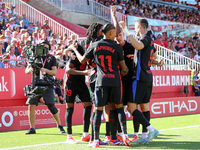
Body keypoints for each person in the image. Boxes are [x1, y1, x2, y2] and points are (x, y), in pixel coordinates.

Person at [70, 23, 130, 148]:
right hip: (115, 81)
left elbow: (82, 61)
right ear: (110, 33)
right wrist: (126, 71)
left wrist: (74, 49)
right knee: (118, 108)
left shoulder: (95, 45)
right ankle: (124, 135)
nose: (115, 34)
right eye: (114, 32)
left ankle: (95, 140)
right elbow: (124, 67)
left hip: (101, 81)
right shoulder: (117, 47)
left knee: (98, 110)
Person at [119, 19, 161, 144]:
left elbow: (138, 45)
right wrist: (138, 57)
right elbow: (153, 57)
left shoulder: (145, 37)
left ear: (140, 27)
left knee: (132, 108)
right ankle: (143, 136)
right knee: (144, 106)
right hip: (148, 77)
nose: (135, 30)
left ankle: (151, 129)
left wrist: (126, 30)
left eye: (135, 28)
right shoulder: (151, 40)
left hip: (139, 77)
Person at [24, 40, 65, 135]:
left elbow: (54, 72)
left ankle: (59, 125)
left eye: (46, 47)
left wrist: (45, 70)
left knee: (51, 105)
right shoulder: (34, 56)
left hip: (47, 84)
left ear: (49, 48)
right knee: (31, 105)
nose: (43, 48)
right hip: (35, 83)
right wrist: (29, 69)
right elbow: (26, 70)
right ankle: (32, 128)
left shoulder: (52, 58)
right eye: (42, 46)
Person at [64, 41, 93, 144]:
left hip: (81, 84)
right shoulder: (74, 56)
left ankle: (85, 134)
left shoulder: (86, 55)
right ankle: (69, 137)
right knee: (70, 109)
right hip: (71, 84)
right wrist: (83, 72)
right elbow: (67, 70)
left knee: (88, 105)